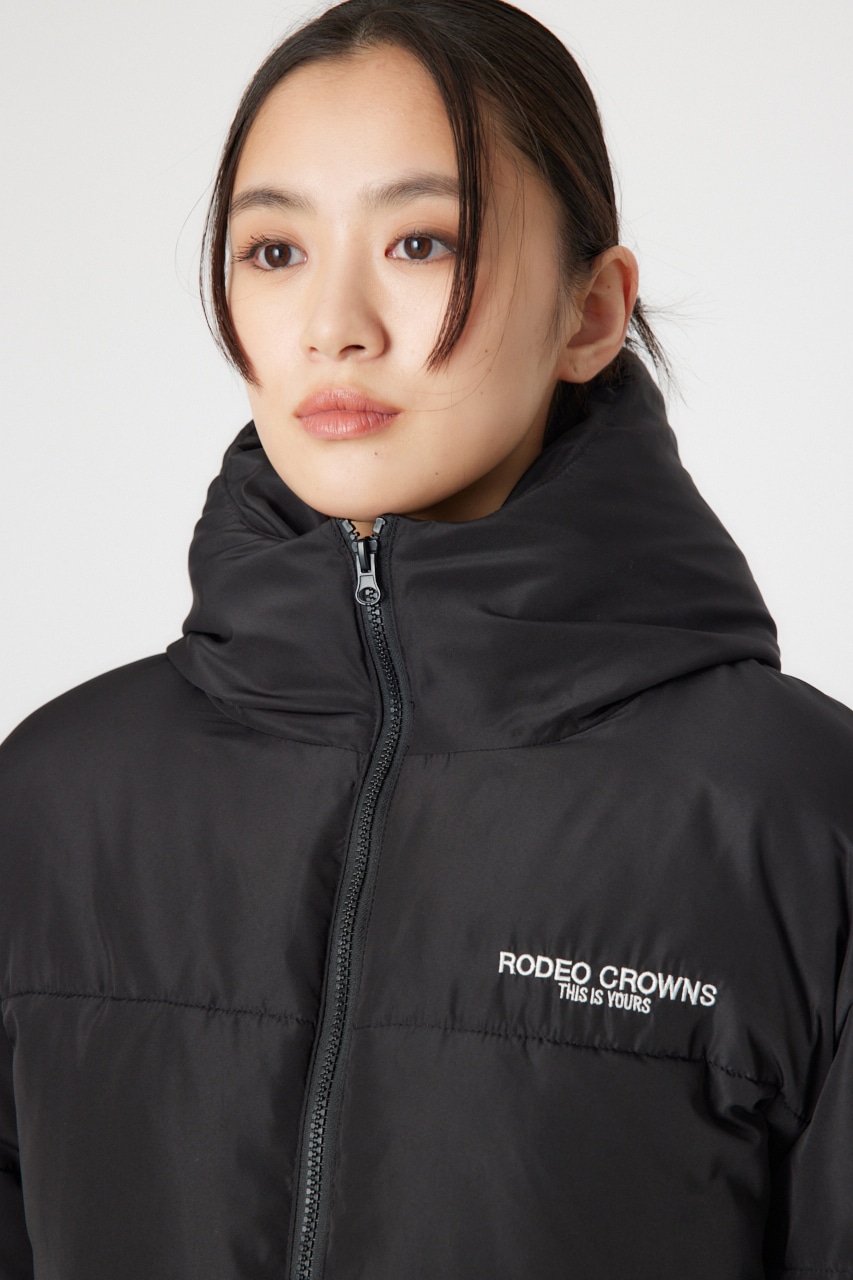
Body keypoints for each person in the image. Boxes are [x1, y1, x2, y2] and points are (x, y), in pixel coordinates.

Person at [1, 0, 851, 1275]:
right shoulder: (54, 798)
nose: (333, 323)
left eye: (420, 240)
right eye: (274, 250)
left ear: (591, 312)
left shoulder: (796, 818)